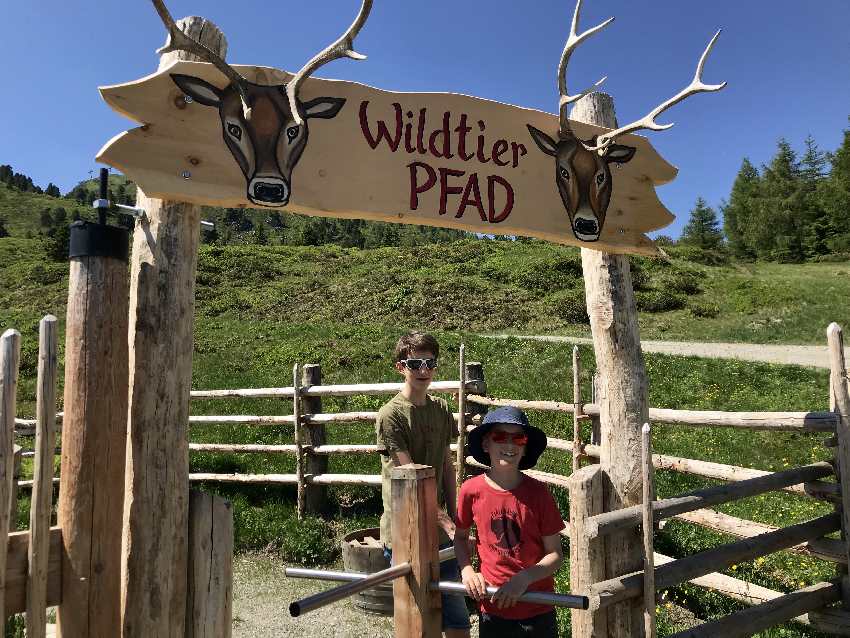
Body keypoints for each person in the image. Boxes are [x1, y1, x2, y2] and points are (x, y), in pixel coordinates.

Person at [376, 331, 471, 638]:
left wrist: (457, 516)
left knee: (456, 612)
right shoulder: (390, 415)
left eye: (430, 363)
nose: (423, 371)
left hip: (441, 528)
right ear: (400, 367)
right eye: (415, 363)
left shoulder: (441, 409)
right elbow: (411, 476)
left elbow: (446, 464)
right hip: (405, 528)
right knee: (417, 617)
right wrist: (448, 523)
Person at [454, 406, 565, 637]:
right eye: (500, 436)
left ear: (525, 448)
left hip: (536, 607)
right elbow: (461, 537)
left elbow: (555, 555)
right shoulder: (470, 491)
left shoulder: (539, 493)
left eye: (518, 438)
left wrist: (524, 579)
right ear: (486, 444)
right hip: (493, 606)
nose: (509, 445)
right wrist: (467, 570)